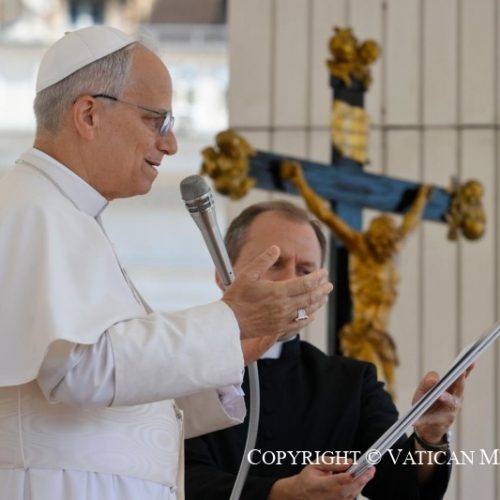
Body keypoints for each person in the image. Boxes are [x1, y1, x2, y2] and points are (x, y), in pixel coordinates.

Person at [0, 26, 333, 500]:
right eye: (157, 120)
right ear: (89, 114)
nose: (171, 143)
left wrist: (230, 349)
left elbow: (118, 407)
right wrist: (228, 319)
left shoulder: (67, 215)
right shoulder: (33, 210)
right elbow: (80, 371)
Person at [185, 200, 470, 500]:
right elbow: (175, 479)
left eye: (305, 270)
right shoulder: (181, 370)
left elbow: (400, 487)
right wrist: (282, 493)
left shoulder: (352, 383)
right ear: (223, 274)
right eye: (274, 263)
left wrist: (429, 436)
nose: (291, 282)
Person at [281, 159, 433, 396]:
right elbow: (325, 215)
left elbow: (409, 224)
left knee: (389, 393)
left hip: (381, 335)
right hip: (361, 332)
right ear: (375, 238)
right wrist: (300, 182)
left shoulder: (391, 249)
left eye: (391, 243)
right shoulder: (361, 247)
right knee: (371, 389)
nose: (388, 248)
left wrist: (422, 198)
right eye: (384, 242)